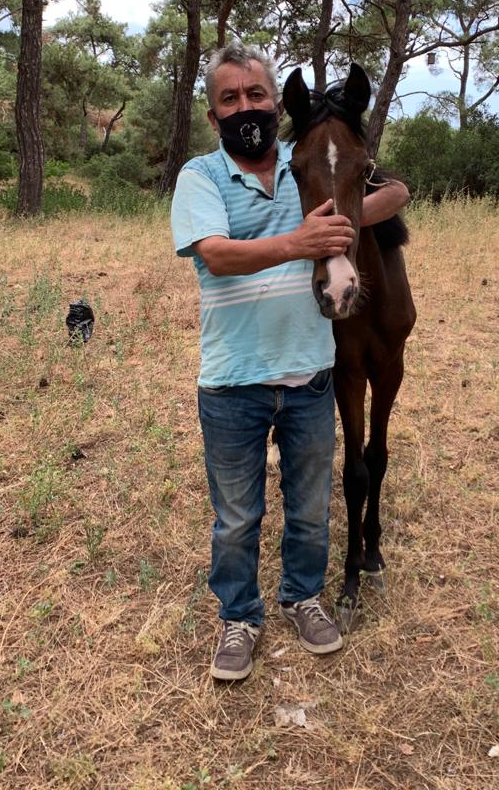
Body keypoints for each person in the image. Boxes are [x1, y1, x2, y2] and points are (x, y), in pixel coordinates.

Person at [170, 42, 409, 681]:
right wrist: (300, 241)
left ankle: (303, 597)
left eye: (256, 94)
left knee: (308, 507)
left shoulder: (306, 164)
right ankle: (239, 618)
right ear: (213, 114)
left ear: (277, 103)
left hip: (308, 372)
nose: (244, 107)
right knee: (236, 517)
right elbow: (216, 254)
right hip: (233, 379)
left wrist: (364, 205)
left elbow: (381, 190)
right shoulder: (202, 177)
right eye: (230, 98)